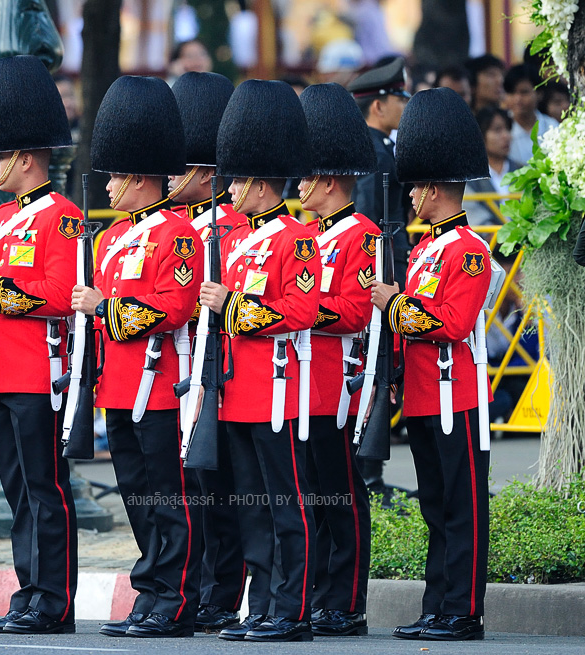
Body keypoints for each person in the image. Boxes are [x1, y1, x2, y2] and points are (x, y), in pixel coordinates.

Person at [71, 75, 203, 639]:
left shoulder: (179, 234)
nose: (107, 186)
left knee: (169, 498)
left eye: (114, 177)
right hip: (119, 385)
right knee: (137, 497)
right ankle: (151, 590)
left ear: (139, 178)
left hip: (161, 383)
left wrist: (104, 307)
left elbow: (173, 306)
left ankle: (176, 599)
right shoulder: (110, 239)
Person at [0, 55, 79, 636]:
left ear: (26, 158)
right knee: (18, 493)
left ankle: (53, 600)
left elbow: (59, 296)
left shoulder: (63, 217)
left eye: (2, 155)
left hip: (37, 373)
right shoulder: (2, 216)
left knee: (44, 491)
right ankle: (29, 590)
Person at [199, 79, 320, 643]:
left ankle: (291, 609)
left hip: (276, 390)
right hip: (236, 389)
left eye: (238, 180)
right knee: (251, 507)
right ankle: (263, 604)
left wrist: (231, 305)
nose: (230, 190)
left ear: (262, 183)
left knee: (286, 504)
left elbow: (300, 310)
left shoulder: (298, 239)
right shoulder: (234, 240)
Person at [370, 88, 493, 641]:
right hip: (422, 393)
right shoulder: (424, 250)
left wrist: (393, 304)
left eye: (416, 186)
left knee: (461, 508)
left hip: (455, 396)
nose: (411, 194)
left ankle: (463, 611)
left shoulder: (469, 250)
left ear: (435, 189)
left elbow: (452, 322)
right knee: (435, 507)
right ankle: (438, 605)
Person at [297, 83, 379, 637]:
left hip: (336, 384)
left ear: (328, 181)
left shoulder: (362, 236)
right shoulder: (304, 234)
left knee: (340, 494)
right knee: (310, 497)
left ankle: (346, 602)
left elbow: (353, 312)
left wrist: (298, 310)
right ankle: (317, 594)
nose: (297, 185)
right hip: (297, 385)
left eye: (306, 176)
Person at [167, 71, 245, 635]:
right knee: (190, 488)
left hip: (219, 368)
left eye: (181, 167)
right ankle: (196, 589)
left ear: (204, 170)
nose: (171, 176)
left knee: (218, 489)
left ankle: (223, 592)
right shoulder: (177, 225)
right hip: (179, 370)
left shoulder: (233, 227)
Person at [349, 57, 411, 293]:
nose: (405, 106)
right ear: (378, 107)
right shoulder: (377, 153)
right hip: (384, 263)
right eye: (400, 100)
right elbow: (368, 215)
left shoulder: (370, 146)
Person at [464, 107, 520, 226]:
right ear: (480, 135)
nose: (506, 136)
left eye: (508, 129)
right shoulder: (470, 178)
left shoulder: (522, 170)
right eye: (497, 130)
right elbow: (475, 217)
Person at [504, 64, 559, 166]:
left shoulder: (552, 127)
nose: (517, 99)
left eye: (524, 92)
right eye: (512, 92)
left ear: (539, 94)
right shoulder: (501, 129)